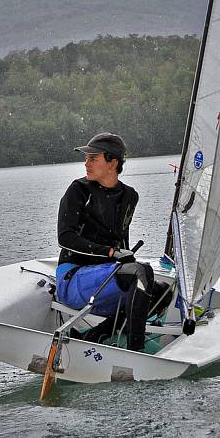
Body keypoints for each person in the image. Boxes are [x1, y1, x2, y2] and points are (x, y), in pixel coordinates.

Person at [56, 132, 165, 351]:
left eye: (93, 159)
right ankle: (137, 350)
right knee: (141, 273)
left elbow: (121, 239)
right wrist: (110, 253)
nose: (86, 164)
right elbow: (65, 237)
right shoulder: (79, 190)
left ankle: (97, 334)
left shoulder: (129, 196)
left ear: (112, 163)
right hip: (73, 277)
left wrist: (122, 255)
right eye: (86, 158)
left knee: (162, 291)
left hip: (105, 277)